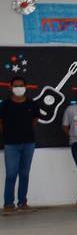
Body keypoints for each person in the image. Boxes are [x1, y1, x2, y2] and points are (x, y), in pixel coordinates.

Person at [2, 76, 40, 213]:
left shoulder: (32, 104)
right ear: (10, 87)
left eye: (21, 85)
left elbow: (35, 119)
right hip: (11, 144)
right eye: (16, 86)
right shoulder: (5, 104)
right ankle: (8, 204)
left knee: (24, 174)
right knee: (11, 174)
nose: (18, 88)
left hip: (29, 143)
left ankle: (22, 202)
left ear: (26, 87)